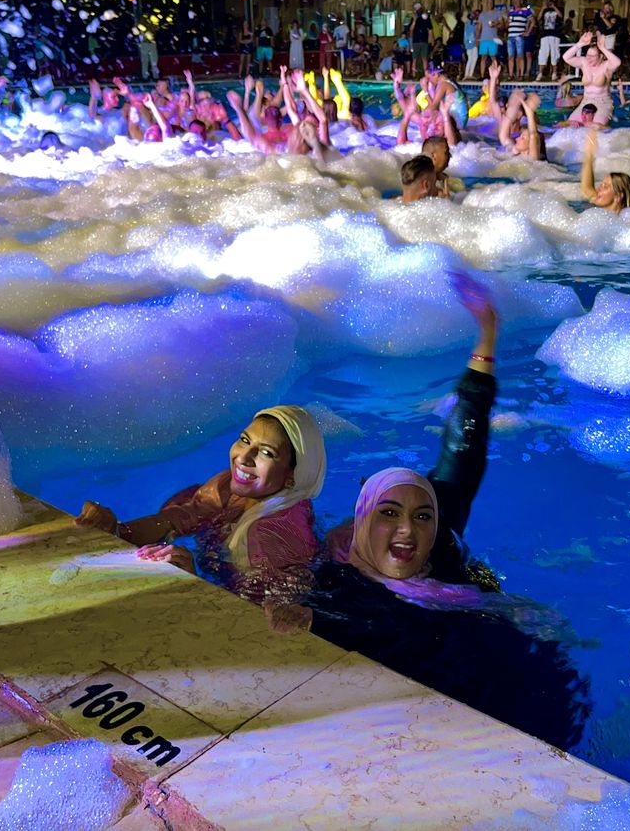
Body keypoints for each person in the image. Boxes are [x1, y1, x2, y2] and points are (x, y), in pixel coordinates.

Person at [265, 283, 591, 751]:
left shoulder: (443, 538)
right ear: (361, 521)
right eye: (389, 513)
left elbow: (467, 437)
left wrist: (488, 334)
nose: (408, 529)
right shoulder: (332, 576)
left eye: (422, 516)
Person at [76, 406, 326, 591]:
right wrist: (116, 530)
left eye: (266, 453)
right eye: (244, 440)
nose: (243, 458)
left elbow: (259, 621)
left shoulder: (273, 533)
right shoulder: (232, 489)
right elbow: (175, 520)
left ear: (292, 476)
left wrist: (194, 582)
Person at [562, 31, 620, 127]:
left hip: (603, 103)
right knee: (569, 125)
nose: (589, 58)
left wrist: (603, 48)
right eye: (588, 55)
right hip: (586, 102)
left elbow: (617, 62)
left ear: (601, 56)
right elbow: (566, 57)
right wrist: (580, 44)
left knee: (596, 126)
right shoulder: (584, 63)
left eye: (593, 56)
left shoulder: (606, 66)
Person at [581, 131, 630, 213]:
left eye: (605, 186)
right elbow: (587, 189)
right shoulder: (598, 212)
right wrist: (589, 155)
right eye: (602, 185)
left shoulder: (625, 220)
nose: (598, 188)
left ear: (619, 196)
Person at [536, 0, 564, 82]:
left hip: (555, 34)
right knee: (543, 53)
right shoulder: (544, 10)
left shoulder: (558, 9)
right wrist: (543, 8)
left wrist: (554, 7)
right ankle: (540, 73)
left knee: (555, 53)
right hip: (545, 34)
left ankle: (554, 73)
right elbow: (538, 18)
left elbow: (561, 16)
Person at [477, 0, 505, 79]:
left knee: (493, 57)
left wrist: (495, 24)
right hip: (484, 38)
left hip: (493, 38)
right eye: (488, 2)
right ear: (486, 3)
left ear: (493, 3)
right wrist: (477, 39)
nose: (490, 4)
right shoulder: (482, 14)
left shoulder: (497, 13)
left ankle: (495, 75)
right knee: (483, 57)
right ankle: (482, 75)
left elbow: (502, 25)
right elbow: (479, 27)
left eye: (491, 3)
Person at [507, 0, 531, 79]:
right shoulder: (511, 11)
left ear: (521, 1)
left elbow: (533, 20)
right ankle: (510, 75)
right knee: (510, 56)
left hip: (519, 36)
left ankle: (521, 75)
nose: (516, 2)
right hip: (510, 36)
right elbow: (509, 23)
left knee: (520, 56)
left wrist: (527, 32)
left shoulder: (525, 11)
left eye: (518, 0)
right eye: (515, 0)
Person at [410, 3, 434, 79]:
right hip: (416, 41)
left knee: (424, 58)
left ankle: (426, 75)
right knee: (414, 59)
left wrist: (431, 39)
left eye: (418, 8)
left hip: (424, 40)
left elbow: (430, 30)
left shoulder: (426, 18)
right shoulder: (414, 18)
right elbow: (411, 29)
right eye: (416, 9)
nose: (417, 10)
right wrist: (414, 19)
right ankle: (413, 74)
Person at [463, 10, 479, 80]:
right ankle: (467, 74)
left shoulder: (471, 23)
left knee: (473, 58)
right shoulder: (470, 23)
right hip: (470, 42)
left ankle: (469, 74)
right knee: (471, 58)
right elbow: (471, 33)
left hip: (471, 42)